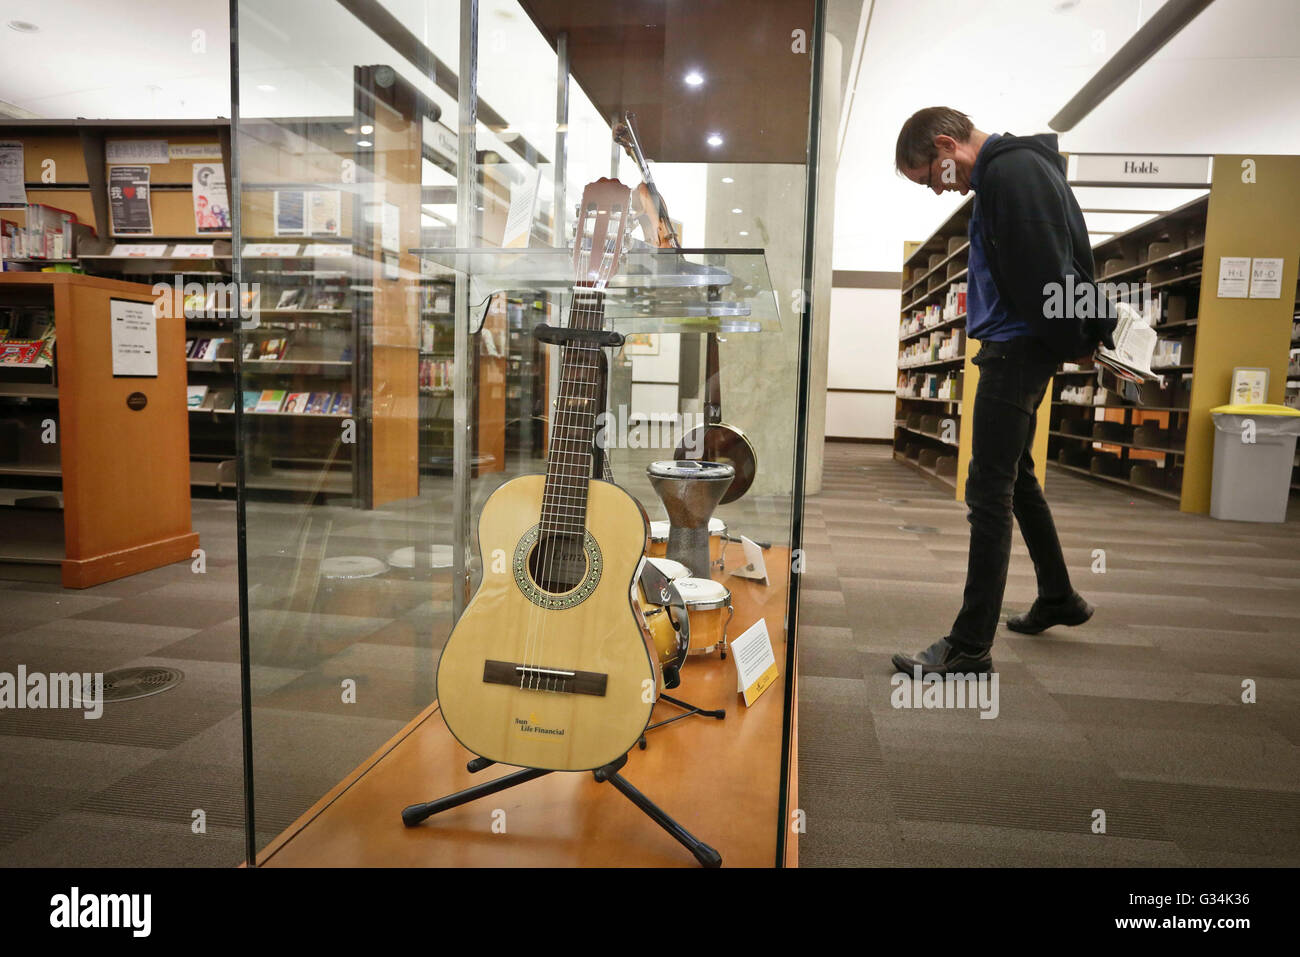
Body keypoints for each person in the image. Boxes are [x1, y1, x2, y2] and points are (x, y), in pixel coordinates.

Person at [890, 107, 1115, 677]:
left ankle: (969, 647)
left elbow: (1051, 273)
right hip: (1020, 346)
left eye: (931, 177)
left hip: (1016, 351)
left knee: (987, 492)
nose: (939, 191)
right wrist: (1078, 334)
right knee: (1016, 476)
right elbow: (1061, 263)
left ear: (947, 145)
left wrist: (1079, 339)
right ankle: (1058, 594)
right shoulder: (1016, 171)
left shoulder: (1012, 173)